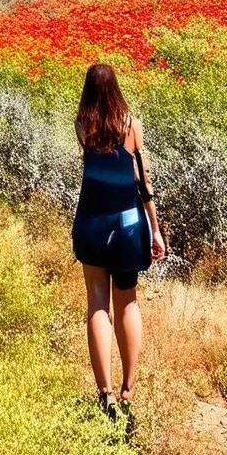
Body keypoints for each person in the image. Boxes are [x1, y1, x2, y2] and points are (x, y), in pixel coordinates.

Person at [71, 63, 165, 420]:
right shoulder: (132, 126)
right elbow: (144, 182)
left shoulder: (82, 126)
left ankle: (104, 393)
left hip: (91, 222)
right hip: (127, 224)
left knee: (97, 303)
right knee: (127, 303)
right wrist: (155, 229)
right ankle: (128, 388)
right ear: (116, 89)